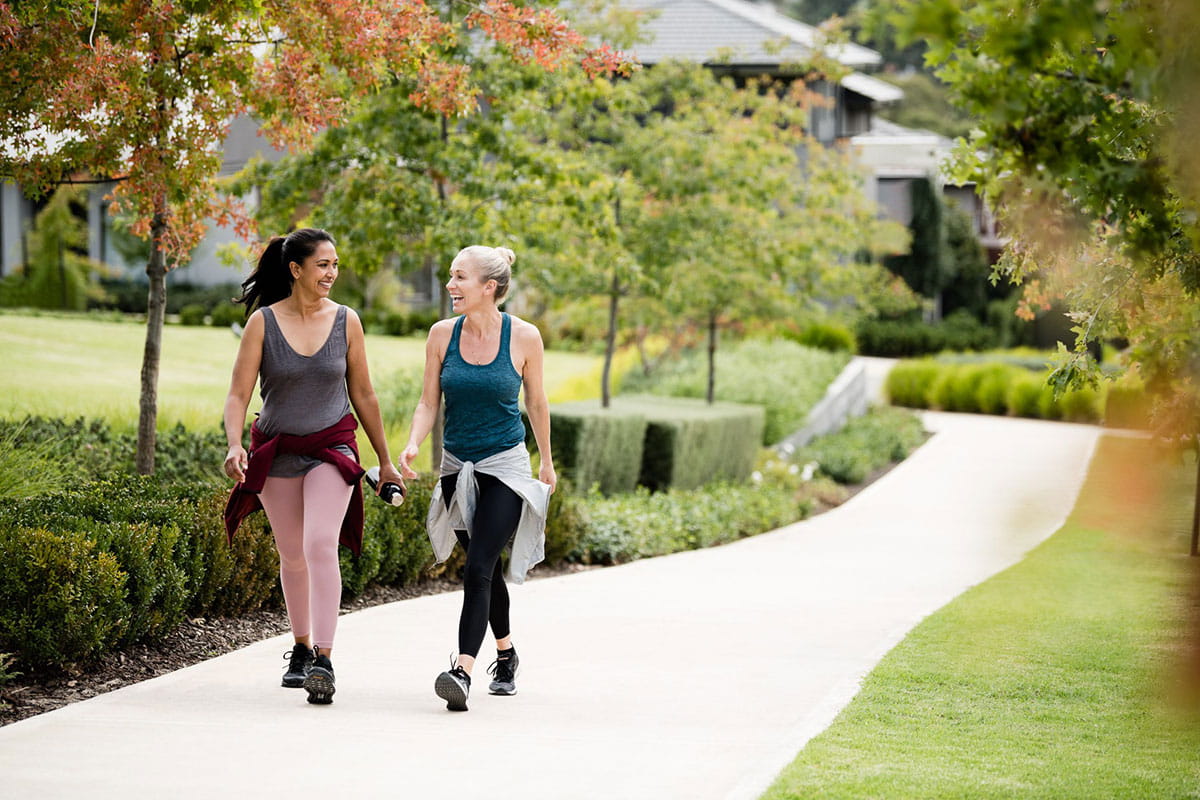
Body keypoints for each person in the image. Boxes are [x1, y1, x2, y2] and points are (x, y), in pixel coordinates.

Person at [222, 228, 403, 706]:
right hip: (276, 450)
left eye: (335, 265)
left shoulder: (347, 321)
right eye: (323, 264)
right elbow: (239, 393)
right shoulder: (264, 323)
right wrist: (234, 444)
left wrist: (385, 459)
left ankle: (324, 659)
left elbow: (363, 394)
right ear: (295, 269)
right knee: (291, 553)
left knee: (319, 542)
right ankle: (300, 647)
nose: (332, 273)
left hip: (332, 446)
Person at [400, 245, 556, 712]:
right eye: (450, 276)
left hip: (506, 466)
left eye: (459, 277)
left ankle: (461, 671)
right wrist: (412, 442)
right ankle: (506, 654)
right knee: (482, 569)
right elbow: (429, 401)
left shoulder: (525, 337)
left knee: (477, 567)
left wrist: (545, 461)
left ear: (489, 287)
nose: (450, 285)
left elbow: (538, 403)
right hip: (457, 466)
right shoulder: (441, 335)